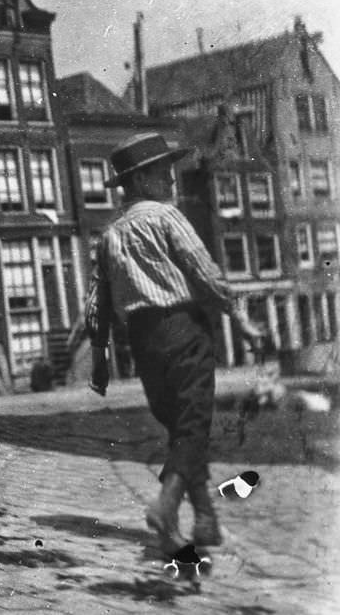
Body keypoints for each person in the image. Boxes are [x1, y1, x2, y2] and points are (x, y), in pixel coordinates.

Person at [83, 133, 265, 556]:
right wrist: (240, 319)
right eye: (161, 170)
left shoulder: (109, 236)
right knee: (193, 424)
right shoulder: (167, 217)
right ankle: (165, 507)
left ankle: (205, 519)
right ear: (141, 180)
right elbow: (203, 270)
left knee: (182, 428)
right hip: (183, 330)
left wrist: (99, 357)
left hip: (143, 344)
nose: (170, 177)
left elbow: (98, 302)